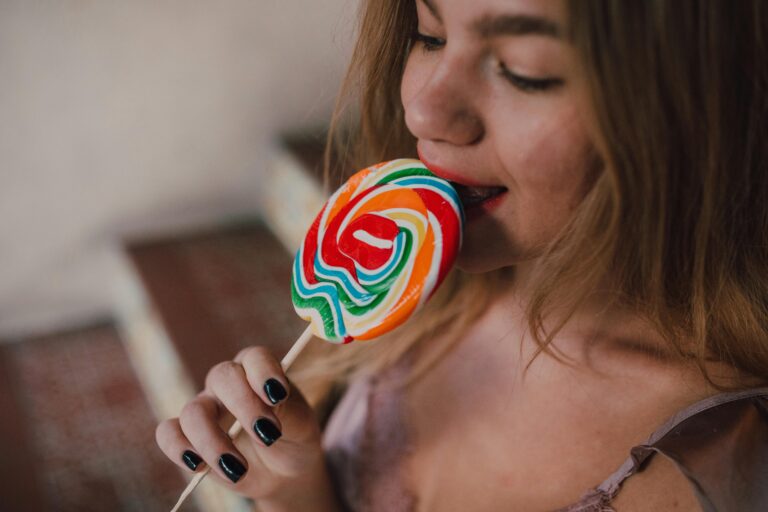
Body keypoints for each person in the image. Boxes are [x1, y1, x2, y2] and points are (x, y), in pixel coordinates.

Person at [155, 1, 768, 510]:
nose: (422, 109)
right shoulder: (421, 291)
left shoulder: (709, 473)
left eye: (522, 70)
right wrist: (294, 484)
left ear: (691, 108)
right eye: (428, 35)